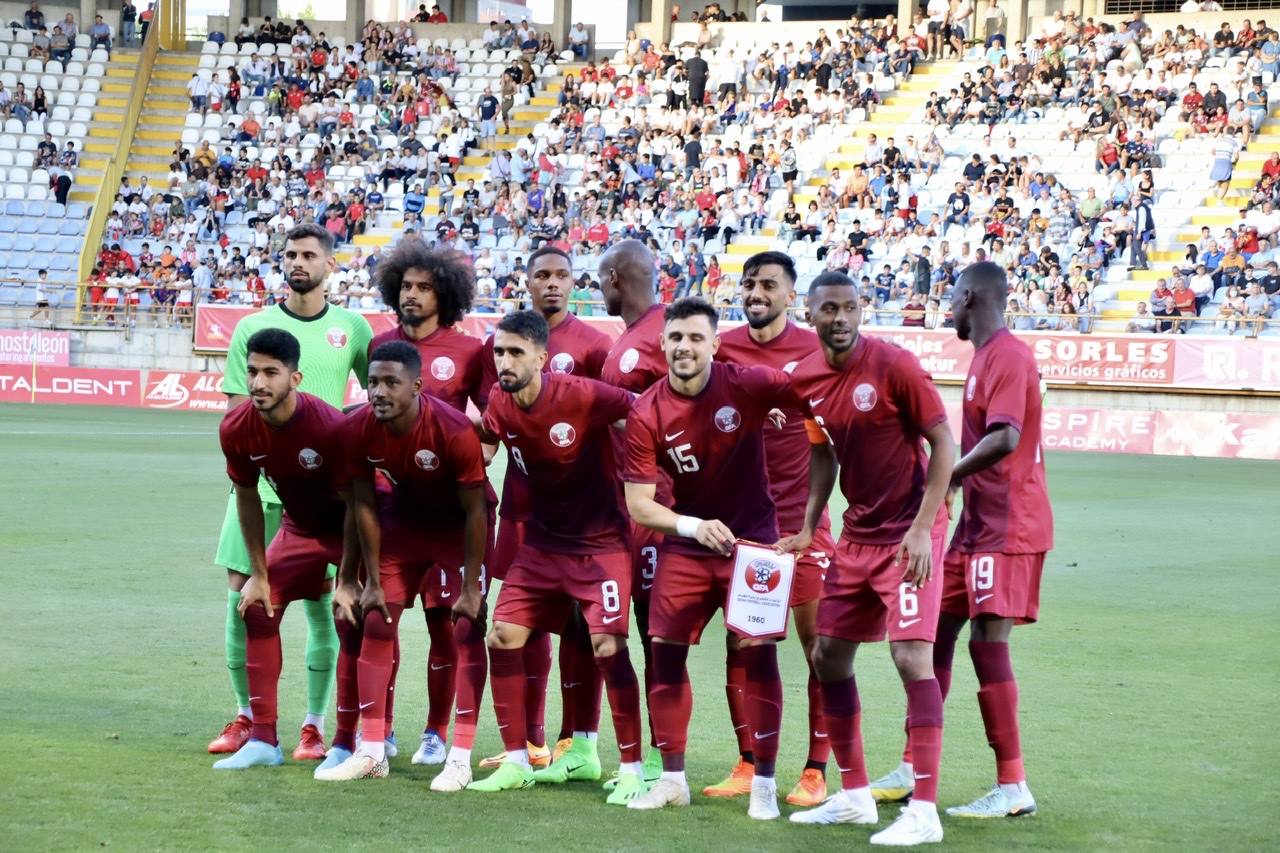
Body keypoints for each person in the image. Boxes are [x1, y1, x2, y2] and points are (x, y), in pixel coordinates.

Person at [783, 271, 955, 846]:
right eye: (828, 308)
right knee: (827, 655)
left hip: (909, 532)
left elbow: (945, 444)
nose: (840, 318)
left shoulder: (894, 365)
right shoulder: (805, 378)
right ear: (810, 314)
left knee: (911, 658)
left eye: (850, 307)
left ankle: (924, 811)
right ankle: (855, 798)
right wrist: (809, 526)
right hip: (856, 535)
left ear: (862, 310)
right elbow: (821, 452)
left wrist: (924, 529)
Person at [622, 297, 798, 820]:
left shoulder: (748, 384)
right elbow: (639, 504)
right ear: (663, 344)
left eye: (696, 338)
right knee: (664, 650)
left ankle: (764, 783)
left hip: (755, 544)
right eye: (676, 338)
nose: (684, 347)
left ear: (715, 345)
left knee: (758, 653)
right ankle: (673, 780)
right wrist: (693, 526)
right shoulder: (646, 410)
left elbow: (818, 409)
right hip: (689, 541)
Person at [208, 224, 373, 761]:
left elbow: (379, 400)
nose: (298, 262)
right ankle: (249, 718)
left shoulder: (352, 327)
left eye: (309, 254)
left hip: (332, 492)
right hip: (267, 478)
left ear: (330, 264)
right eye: (290, 254)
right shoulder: (254, 327)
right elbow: (240, 406)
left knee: (330, 607)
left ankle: (317, 725)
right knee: (246, 596)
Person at [466, 311, 645, 802]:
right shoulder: (500, 403)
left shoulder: (581, 394)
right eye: (499, 352)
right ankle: (518, 762)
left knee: (608, 648)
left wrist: (648, 473)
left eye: (515, 352)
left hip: (601, 544)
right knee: (503, 635)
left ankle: (631, 768)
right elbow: (481, 447)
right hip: (543, 545)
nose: (503, 361)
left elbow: (645, 411)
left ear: (542, 358)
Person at [912, 259, 1050, 819]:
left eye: (950, 295)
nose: (947, 305)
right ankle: (913, 765)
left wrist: (946, 477)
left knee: (986, 645)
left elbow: (1005, 438)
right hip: (975, 527)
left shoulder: (1010, 356)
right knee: (929, 634)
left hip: (1008, 525)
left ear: (970, 295)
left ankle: (1013, 786)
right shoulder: (985, 358)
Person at [316, 341, 489, 783]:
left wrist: (471, 587)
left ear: (416, 386)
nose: (379, 391)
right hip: (403, 525)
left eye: (391, 383)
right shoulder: (357, 430)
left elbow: (476, 510)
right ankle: (372, 751)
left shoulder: (452, 430)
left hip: (457, 530)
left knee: (465, 627)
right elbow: (363, 505)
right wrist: (363, 579)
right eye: (372, 382)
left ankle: (459, 758)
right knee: (374, 620)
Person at [475, 247, 612, 776]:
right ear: (527, 283)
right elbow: (488, 434)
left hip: (581, 523)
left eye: (561, 276)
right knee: (518, 624)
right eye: (542, 276)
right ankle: (530, 742)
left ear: (574, 283)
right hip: (520, 513)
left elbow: (617, 424)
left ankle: (574, 744)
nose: (552, 284)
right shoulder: (503, 350)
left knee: (582, 628)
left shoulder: (594, 346)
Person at [706, 251, 833, 808]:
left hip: (804, 524)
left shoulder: (815, 349)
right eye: (749, 283)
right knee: (744, 643)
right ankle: (749, 761)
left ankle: (816, 769)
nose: (756, 292)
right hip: (744, 525)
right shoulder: (721, 345)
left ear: (790, 296)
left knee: (820, 649)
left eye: (768, 285)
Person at [368, 241, 489, 773]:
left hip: (448, 515)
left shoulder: (469, 350)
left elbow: (491, 424)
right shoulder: (378, 344)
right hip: (393, 510)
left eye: (424, 287)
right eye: (406, 286)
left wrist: (461, 466)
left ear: (445, 294)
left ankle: (437, 732)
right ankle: (381, 729)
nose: (412, 295)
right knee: (381, 617)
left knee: (447, 623)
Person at [212, 328, 354, 770]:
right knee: (257, 604)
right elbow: (248, 499)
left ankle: (347, 742)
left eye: (271, 373)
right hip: (299, 526)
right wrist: (259, 573)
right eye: (252, 371)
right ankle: (264, 741)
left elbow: (361, 504)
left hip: (354, 529)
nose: (258, 383)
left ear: (296, 378)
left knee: (357, 615)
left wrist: (349, 581)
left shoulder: (330, 426)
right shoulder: (237, 428)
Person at [597, 238, 672, 785]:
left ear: (615, 278)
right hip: (624, 511)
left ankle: (660, 760)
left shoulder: (666, 334)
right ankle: (637, 755)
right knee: (619, 633)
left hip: (660, 510)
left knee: (654, 636)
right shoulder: (627, 339)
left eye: (598, 278)